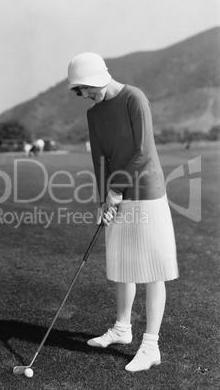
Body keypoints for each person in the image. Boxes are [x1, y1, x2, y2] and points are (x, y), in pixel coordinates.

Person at [67, 53, 179, 372]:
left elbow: (144, 152)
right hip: (116, 195)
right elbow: (100, 160)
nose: (85, 95)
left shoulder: (134, 98)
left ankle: (150, 346)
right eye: (80, 91)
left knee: (153, 270)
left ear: (101, 77)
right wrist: (104, 198)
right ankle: (122, 328)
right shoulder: (94, 115)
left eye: (87, 87)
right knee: (122, 265)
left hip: (147, 192)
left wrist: (116, 190)